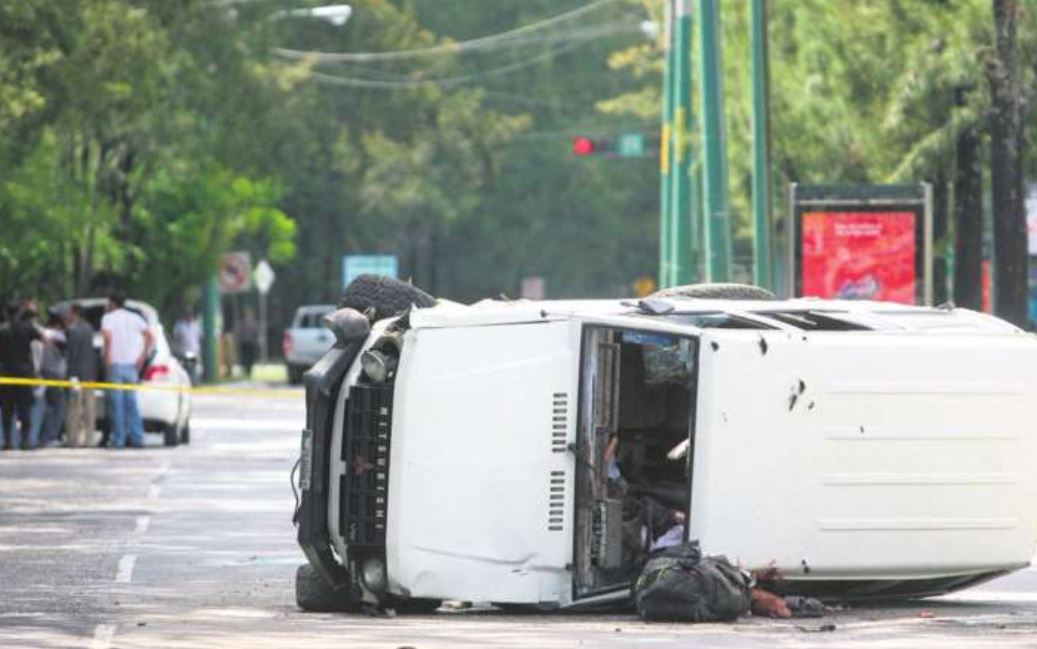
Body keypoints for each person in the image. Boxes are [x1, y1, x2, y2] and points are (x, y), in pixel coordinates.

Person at [101, 291, 152, 449]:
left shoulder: (108, 318)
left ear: (112, 302)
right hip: (132, 365)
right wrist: (142, 357)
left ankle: (119, 439)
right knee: (131, 403)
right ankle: (137, 438)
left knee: (116, 405)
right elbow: (150, 336)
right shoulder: (135, 318)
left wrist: (107, 356)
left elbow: (108, 338)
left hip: (115, 364)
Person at [0, 300, 44, 450]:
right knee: (24, 407)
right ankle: (25, 440)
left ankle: (7, 441)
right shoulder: (27, 328)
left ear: (6, 313)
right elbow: (43, 338)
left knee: (7, 408)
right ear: (19, 312)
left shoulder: (2, 330)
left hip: (6, 373)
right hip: (24, 371)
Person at [64, 303, 97, 448]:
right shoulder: (89, 329)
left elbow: (72, 354)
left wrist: (71, 374)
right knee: (90, 407)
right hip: (89, 372)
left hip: (76, 373)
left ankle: (73, 439)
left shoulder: (74, 331)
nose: (67, 315)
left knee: (74, 408)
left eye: (69, 312)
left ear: (75, 313)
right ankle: (89, 439)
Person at [38, 309, 68, 447]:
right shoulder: (59, 336)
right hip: (56, 374)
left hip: (43, 372)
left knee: (46, 406)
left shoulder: (42, 333)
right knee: (58, 407)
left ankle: (42, 435)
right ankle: (51, 436)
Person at [236, 307, 259, 379]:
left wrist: (255, 340)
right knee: (245, 357)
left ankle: (249, 370)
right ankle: (245, 369)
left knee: (250, 357)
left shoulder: (253, 323)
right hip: (244, 343)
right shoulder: (242, 323)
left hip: (251, 343)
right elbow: (239, 332)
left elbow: (256, 333)